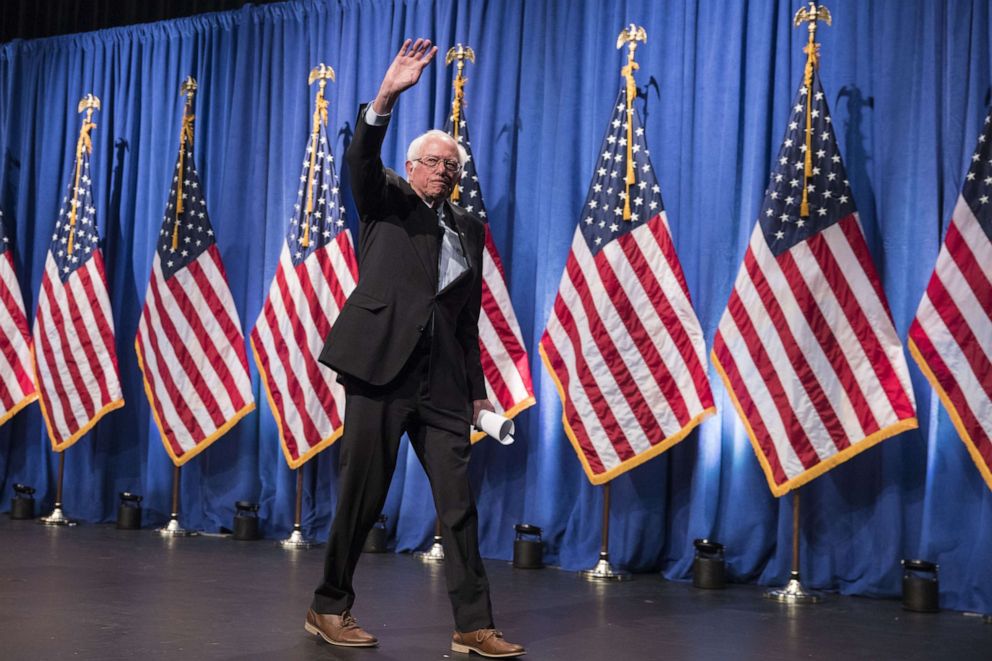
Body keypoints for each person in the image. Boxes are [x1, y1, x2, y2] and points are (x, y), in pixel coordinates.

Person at [306, 38, 525, 659]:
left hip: (444, 385)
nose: (445, 171)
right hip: (380, 372)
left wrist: (479, 397)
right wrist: (386, 95)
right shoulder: (386, 201)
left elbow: (465, 322)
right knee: (362, 496)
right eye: (434, 162)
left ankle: (472, 625)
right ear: (411, 165)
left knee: (458, 505)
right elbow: (360, 158)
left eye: (452, 165)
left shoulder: (470, 229)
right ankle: (327, 607)